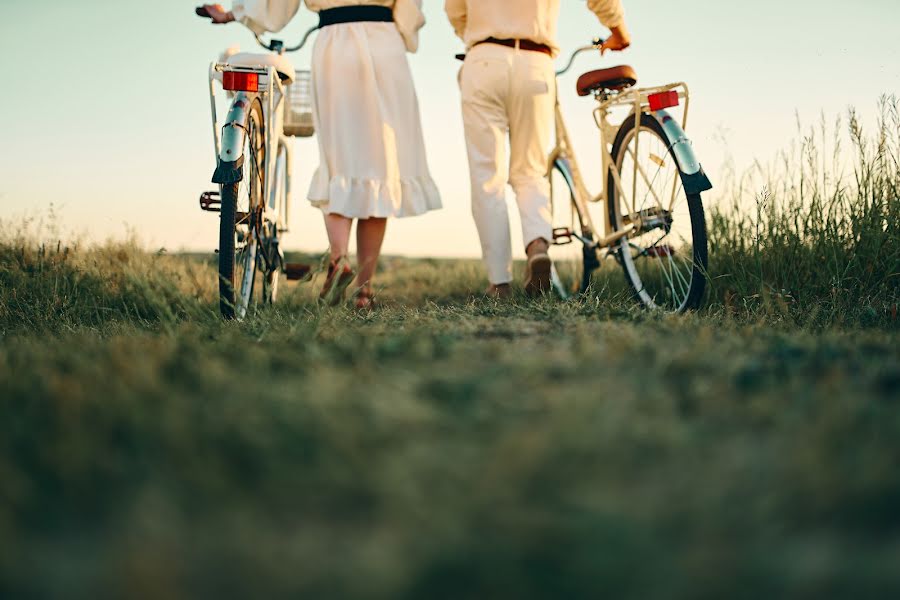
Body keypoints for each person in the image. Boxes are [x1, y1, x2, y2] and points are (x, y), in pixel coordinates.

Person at [201, 1, 441, 309]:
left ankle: (339, 259)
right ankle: (363, 293)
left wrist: (233, 13)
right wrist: (405, 29)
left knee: (336, 161)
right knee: (380, 166)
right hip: (385, 45)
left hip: (335, 44)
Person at [445, 0, 630, 298]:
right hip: (535, 61)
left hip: (484, 59)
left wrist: (477, 32)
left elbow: (454, 9)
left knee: (487, 177)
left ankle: (499, 283)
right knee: (530, 171)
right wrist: (617, 30)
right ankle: (537, 247)